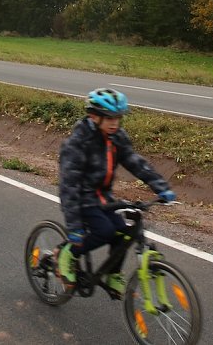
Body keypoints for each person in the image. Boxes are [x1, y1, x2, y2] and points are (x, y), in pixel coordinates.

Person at [57, 87, 175, 297]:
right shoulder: (78, 143)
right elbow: (69, 186)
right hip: (81, 199)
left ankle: (112, 275)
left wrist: (160, 186)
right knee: (104, 231)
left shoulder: (117, 137)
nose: (114, 123)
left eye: (118, 118)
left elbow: (134, 162)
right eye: (109, 118)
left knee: (122, 232)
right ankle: (67, 253)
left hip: (104, 198)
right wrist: (74, 226)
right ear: (94, 116)